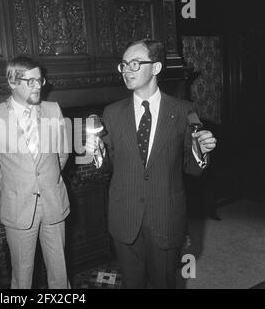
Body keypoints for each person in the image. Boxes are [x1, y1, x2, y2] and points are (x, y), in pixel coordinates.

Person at [88, 39, 216, 288]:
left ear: (156, 68)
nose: (126, 70)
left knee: (164, 284)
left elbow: (192, 167)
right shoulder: (112, 112)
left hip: (166, 216)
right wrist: (98, 154)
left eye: (135, 64)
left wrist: (202, 152)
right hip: (124, 217)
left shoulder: (184, 111)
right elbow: (107, 168)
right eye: (123, 65)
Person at [0, 56, 70, 289]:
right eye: (30, 81)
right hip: (18, 207)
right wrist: (13, 187)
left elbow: (62, 154)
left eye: (40, 80)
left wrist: (48, 181)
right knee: (22, 277)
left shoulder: (53, 110)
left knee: (59, 274)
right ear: (12, 82)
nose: (38, 86)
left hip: (53, 202)